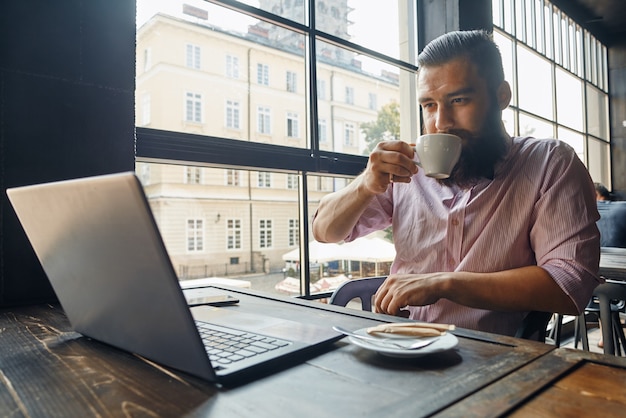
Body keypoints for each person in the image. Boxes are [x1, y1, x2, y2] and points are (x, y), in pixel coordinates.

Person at [312, 30, 601, 336]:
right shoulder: (408, 169)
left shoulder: (549, 163)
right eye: (429, 105)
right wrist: (366, 184)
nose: (441, 122)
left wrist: (444, 283)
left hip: (492, 359)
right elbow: (324, 231)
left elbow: (569, 285)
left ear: (502, 96)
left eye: (459, 100)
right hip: (399, 345)